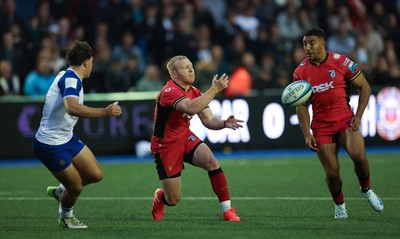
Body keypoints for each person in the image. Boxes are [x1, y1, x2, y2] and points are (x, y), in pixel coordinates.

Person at [293, 27, 383, 219]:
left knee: (359, 156)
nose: (307, 48)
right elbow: (300, 106)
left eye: (311, 43)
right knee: (332, 174)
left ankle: (366, 189)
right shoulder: (300, 72)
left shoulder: (341, 62)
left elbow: (364, 87)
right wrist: (307, 134)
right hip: (321, 126)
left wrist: (358, 116)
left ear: (323, 44)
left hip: (345, 120)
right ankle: (340, 205)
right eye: (304, 44)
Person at [33, 40, 122, 229]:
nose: (92, 65)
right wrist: (104, 112)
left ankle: (59, 193)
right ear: (87, 62)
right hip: (50, 145)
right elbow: (72, 108)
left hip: (66, 138)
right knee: (76, 187)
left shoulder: (67, 75)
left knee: (95, 174)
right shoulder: (72, 79)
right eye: (92, 61)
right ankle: (66, 216)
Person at [150, 55, 242, 221]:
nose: (191, 69)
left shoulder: (194, 91)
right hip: (166, 145)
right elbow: (191, 108)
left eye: (191, 66)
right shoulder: (169, 91)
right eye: (185, 67)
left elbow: (208, 120)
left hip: (184, 137)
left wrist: (223, 123)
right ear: (175, 74)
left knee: (211, 161)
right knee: (173, 199)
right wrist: (214, 89)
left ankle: (227, 210)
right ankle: (159, 198)